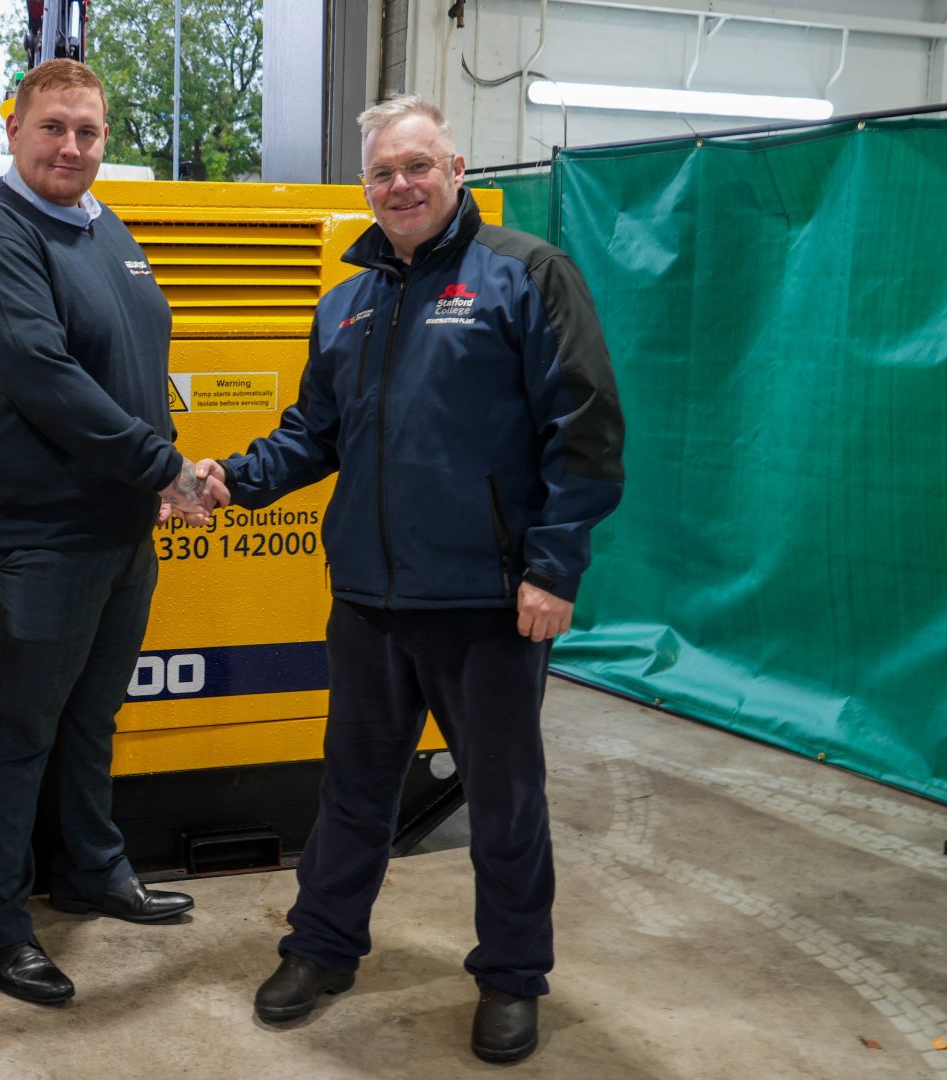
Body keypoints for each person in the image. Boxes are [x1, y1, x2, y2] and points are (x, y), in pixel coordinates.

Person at [197, 94, 624, 1064]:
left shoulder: (526, 276)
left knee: (505, 805)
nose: (402, 185)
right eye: (385, 172)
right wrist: (234, 480)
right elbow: (316, 435)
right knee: (352, 793)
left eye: (418, 166)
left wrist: (554, 569)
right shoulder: (346, 302)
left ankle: (513, 976)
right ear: (366, 186)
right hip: (371, 603)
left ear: (457, 168)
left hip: (489, 604)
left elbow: (586, 427)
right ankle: (322, 949)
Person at [0, 58, 219, 1005]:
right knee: (18, 726)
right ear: (12, 130)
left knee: (92, 712)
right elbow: (47, 380)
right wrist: (166, 468)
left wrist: (157, 476)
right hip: (30, 530)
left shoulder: (106, 226)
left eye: (88, 132)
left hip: (117, 521)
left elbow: (134, 361)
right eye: (53, 127)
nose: (71, 147)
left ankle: (92, 870)